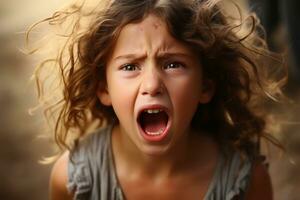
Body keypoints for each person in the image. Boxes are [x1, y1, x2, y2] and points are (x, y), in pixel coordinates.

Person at [29, 0, 286, 199]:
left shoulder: (247, 181)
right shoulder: (71, 180)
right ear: (103, 89)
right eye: (130, 67)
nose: (152, 85)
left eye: (173, 64)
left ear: (205, 86)